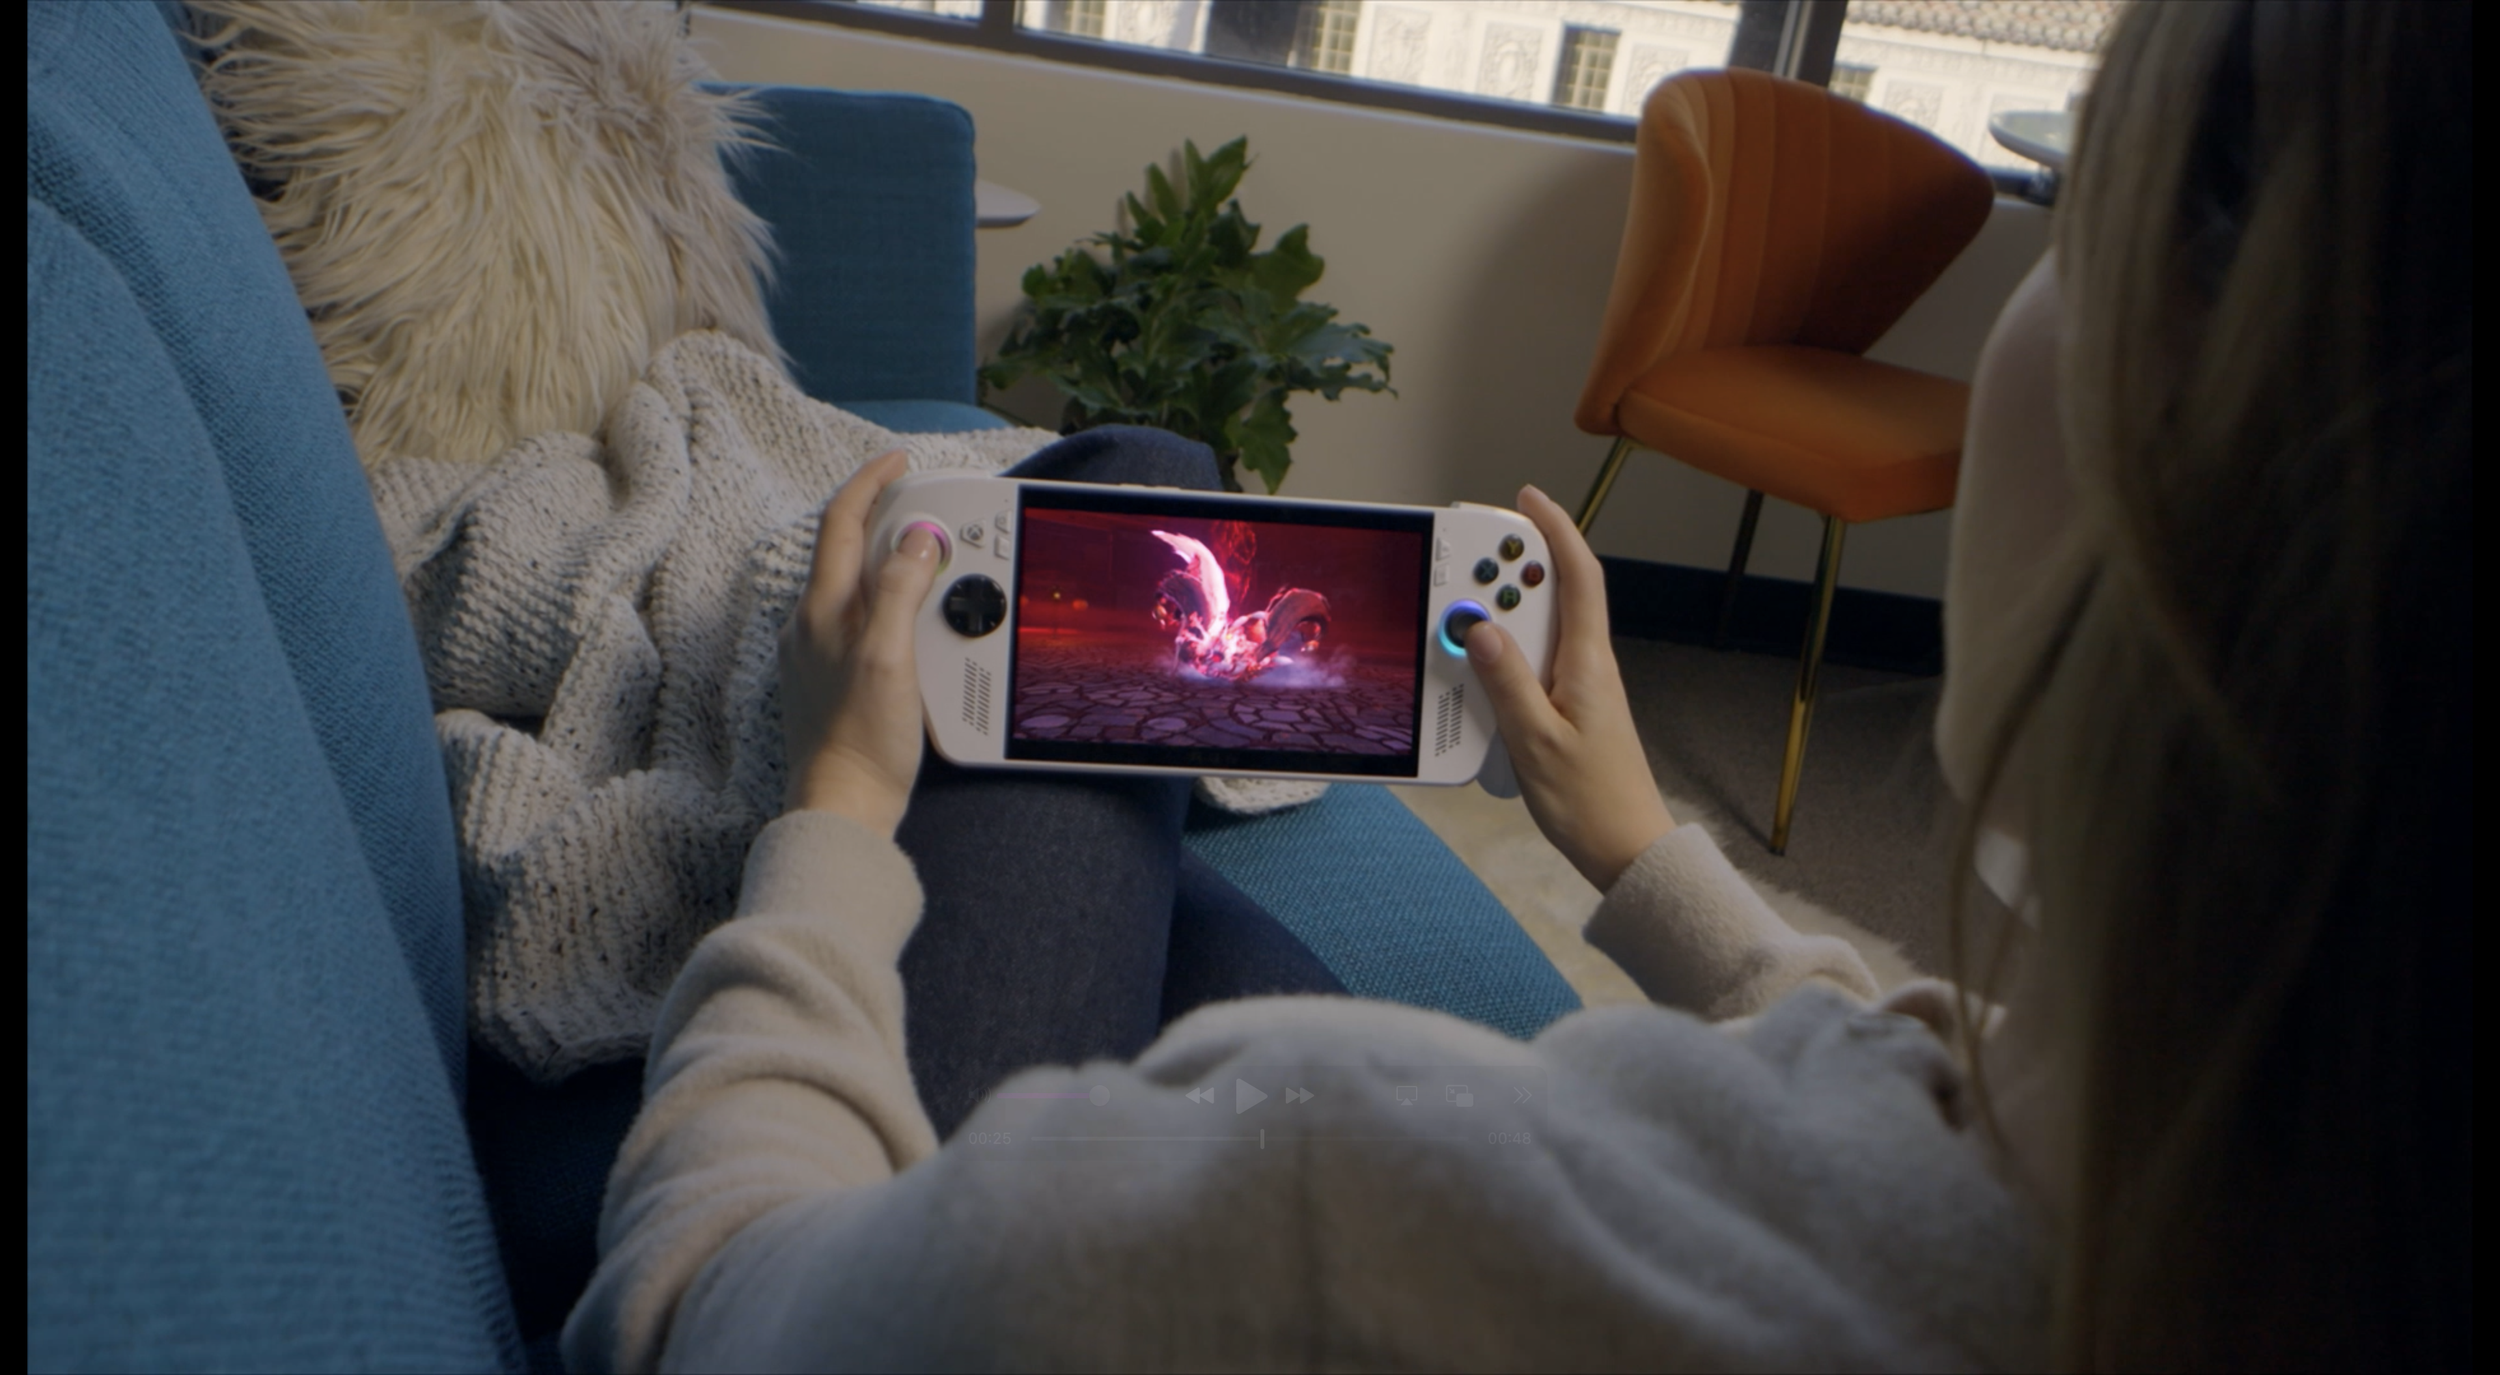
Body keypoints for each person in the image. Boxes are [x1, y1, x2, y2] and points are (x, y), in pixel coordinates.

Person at [564, 1, 2469, 1368]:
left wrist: (823, 827)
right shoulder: (2266, 1164)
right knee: (1159, 846)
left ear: (2198, 420)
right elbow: (1976, 1070)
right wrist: (1639, 847)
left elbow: (691, 1310)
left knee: (1129, 497)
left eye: (2089, 216)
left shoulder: (1341, 1177)